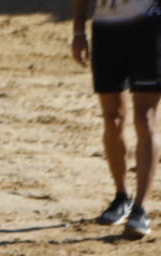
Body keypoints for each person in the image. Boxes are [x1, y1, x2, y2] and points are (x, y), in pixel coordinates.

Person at [72, 0, 161, 239]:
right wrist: (79, 31)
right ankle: (122, 196)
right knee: (112, 119)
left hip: (149, 26)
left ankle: (141, 208)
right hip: (106, 28)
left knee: (146, 117)